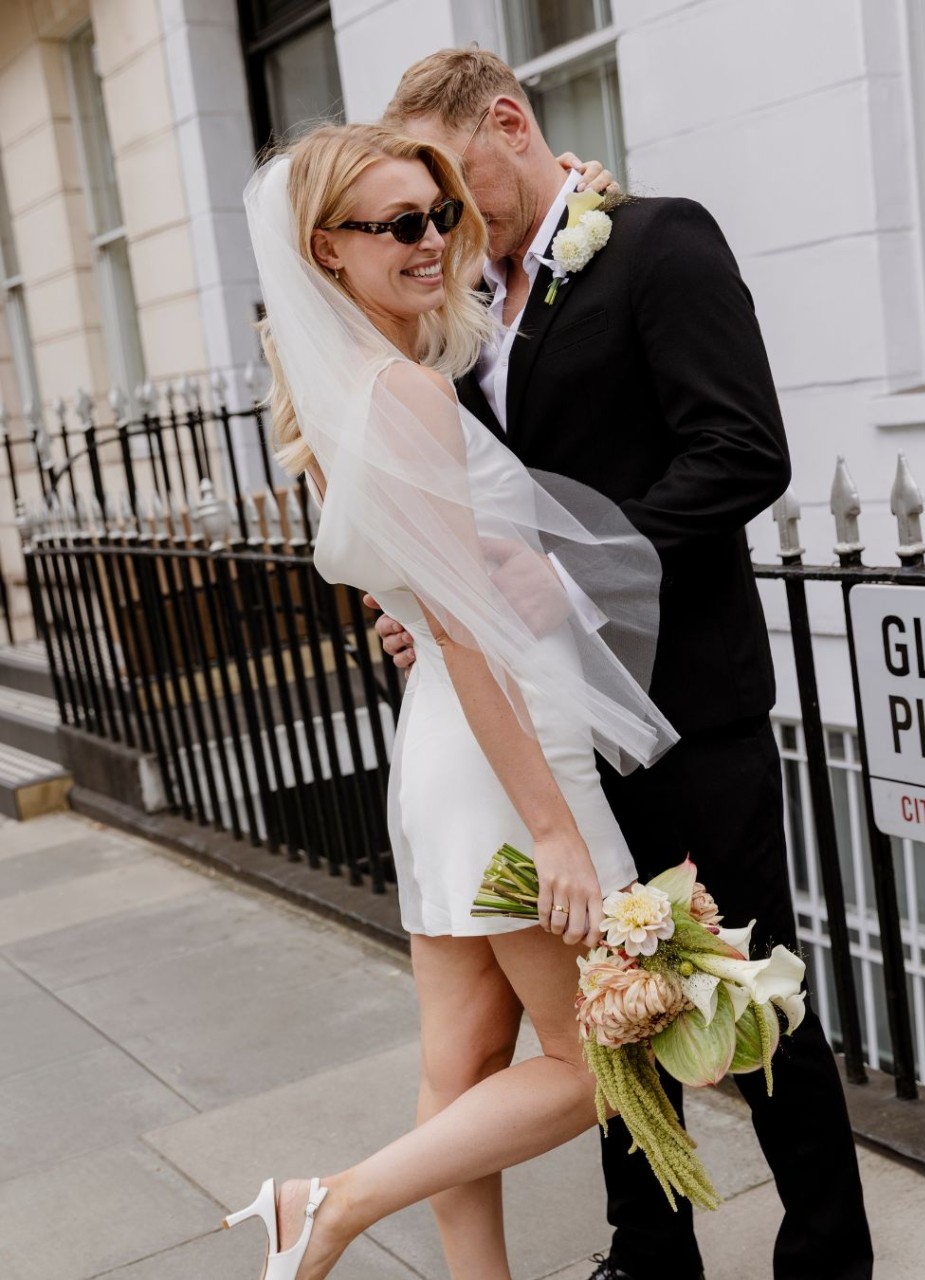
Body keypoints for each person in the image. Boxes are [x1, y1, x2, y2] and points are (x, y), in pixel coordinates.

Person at [372, 47, 874, 1280]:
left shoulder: (657, 243)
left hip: (686, 705)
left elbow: (744, 448)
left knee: (745, 989)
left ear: (508, 120)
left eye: (454, 179)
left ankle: (824, 1255)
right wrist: (422, 607)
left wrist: (586, 565)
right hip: (549, 727)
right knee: (608, 1004)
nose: (443, 215)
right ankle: (650, 1251)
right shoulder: (464, 305)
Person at [230, 122, 682, 1280]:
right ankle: (328, 1201)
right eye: (397, 225)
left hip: (438, 747)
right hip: (500, 752)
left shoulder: (330, 398)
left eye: (436, 216)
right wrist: (550, 826)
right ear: (326, 248)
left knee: (459, 1064)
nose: (431, 241)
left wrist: (421, 613)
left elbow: (422, 599)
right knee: (596, 1064)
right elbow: (472, 632)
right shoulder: (405, 395)